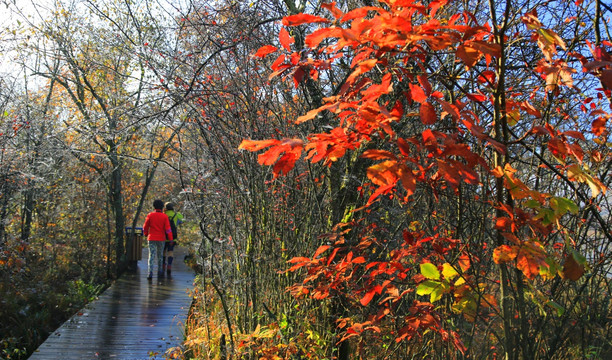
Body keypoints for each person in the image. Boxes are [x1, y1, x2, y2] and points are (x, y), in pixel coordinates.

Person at [143, 199, 173, 279]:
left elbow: (145, 227)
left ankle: (150, 272)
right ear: (162, 207)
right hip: (161, 239)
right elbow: (168, 229)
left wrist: (146, 234)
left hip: (151, 238)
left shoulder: (150, 215)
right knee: (160, 256)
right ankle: (160, 271)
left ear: (154, 206)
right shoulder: (164, 216)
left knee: (151, 256)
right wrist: (171, 239)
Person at [163, 202, 183, 275]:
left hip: (164, 236)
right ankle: (169, 266)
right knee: (170, 251)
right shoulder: (176, 215)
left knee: (163, 251)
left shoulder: (163, 215)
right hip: (173, 236)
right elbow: (181, 221)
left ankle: (163, 265)